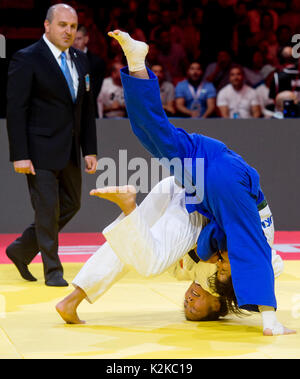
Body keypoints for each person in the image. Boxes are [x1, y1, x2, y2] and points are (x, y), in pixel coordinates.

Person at [103, 30, 295, 336]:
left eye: (217, 270)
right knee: (247, 244)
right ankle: (271, 321)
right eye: (225, 270)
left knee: (149, 132)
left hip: (201, 168)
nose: (221, 264)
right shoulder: (263, 243)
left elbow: (208, 246)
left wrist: (206, 257)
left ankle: (137, 62)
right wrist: (269, 320)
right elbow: (251, 253)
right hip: (229, 180)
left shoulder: (214, 250)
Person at [56, 176, 283, 324]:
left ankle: (72, 299)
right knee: (150, 263)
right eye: (195, 309)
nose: (189, 302)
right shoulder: (245, 275)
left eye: (186, 307)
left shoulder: (182, 272)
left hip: (177, 189)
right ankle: (127, 205)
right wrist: (268, 317)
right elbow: (271, 267)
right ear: (218, 306)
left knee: (128, 249)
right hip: (196, 205)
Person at [5, 4, 98, 287]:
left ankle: (20, 249)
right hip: (38, 151)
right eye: (62, 25)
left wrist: (90, 148)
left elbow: (85, 108)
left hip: (69, 150)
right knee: (47, 210)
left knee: (72, 204)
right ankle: (53, 272)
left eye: (72, 26)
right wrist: (19, 155)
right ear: (47, 26)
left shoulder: (81, 60)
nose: (68, 31)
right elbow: (16, 109)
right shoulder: (27, 58)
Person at [73, 24, 106, 117]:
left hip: (88, 110)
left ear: (86, 39)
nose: (75, 42)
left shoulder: (97, 62)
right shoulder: (64, 60)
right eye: (73, 39)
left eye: (78, 38)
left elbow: (94, 91)